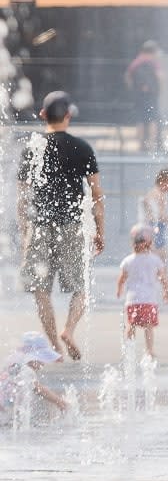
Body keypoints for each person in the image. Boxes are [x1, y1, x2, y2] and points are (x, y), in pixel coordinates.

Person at [18, 91, 104, 361]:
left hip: (41, 225)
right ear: (68, 115)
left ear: (43, 114)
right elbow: (96, 195)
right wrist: (100, 230)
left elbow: (22, 197)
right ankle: (69, 329)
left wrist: (24, 233)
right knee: (81, 286)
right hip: (72, 225)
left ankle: (54, 346)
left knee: (40, 288)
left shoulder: (32, 147)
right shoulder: (82, 148)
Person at [116, 224, 168, 358]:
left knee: (131, 325)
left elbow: (121, 278)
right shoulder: (155, 260)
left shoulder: (128, 260)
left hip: (132, 300)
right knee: (148, 326)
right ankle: (149, 350)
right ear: (150, 242)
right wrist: (166, 292)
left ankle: (128, 348)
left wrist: (119, 290)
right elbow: (163, 278)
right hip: (149, 300)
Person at [0, 333, 68, 423]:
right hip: (5, 414)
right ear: (34, 357)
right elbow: (38, 388)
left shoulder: (13, 363)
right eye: (42, 358)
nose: (43, 363)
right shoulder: (26, 370)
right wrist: (59, 402)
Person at [124, 40, 162, 152]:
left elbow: (127, 76)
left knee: (140, 119)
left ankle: (141, 145)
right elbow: (160, 77)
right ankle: (151, 144)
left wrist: (133, 90)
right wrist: (159, 91)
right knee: (153, 119)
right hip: (151, 95)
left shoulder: (137, 61)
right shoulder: (153, 62)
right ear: (153, 51)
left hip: (139, 95)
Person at [138, 169, 168, 262]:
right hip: (155, 225)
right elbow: (159, 213)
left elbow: (147, 204)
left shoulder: (155, 192)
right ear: (164, 181)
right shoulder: (158, 194)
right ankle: (162, 273)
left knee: (157, 251)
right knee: (160, 253)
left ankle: (159, 272)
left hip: (154, 225)